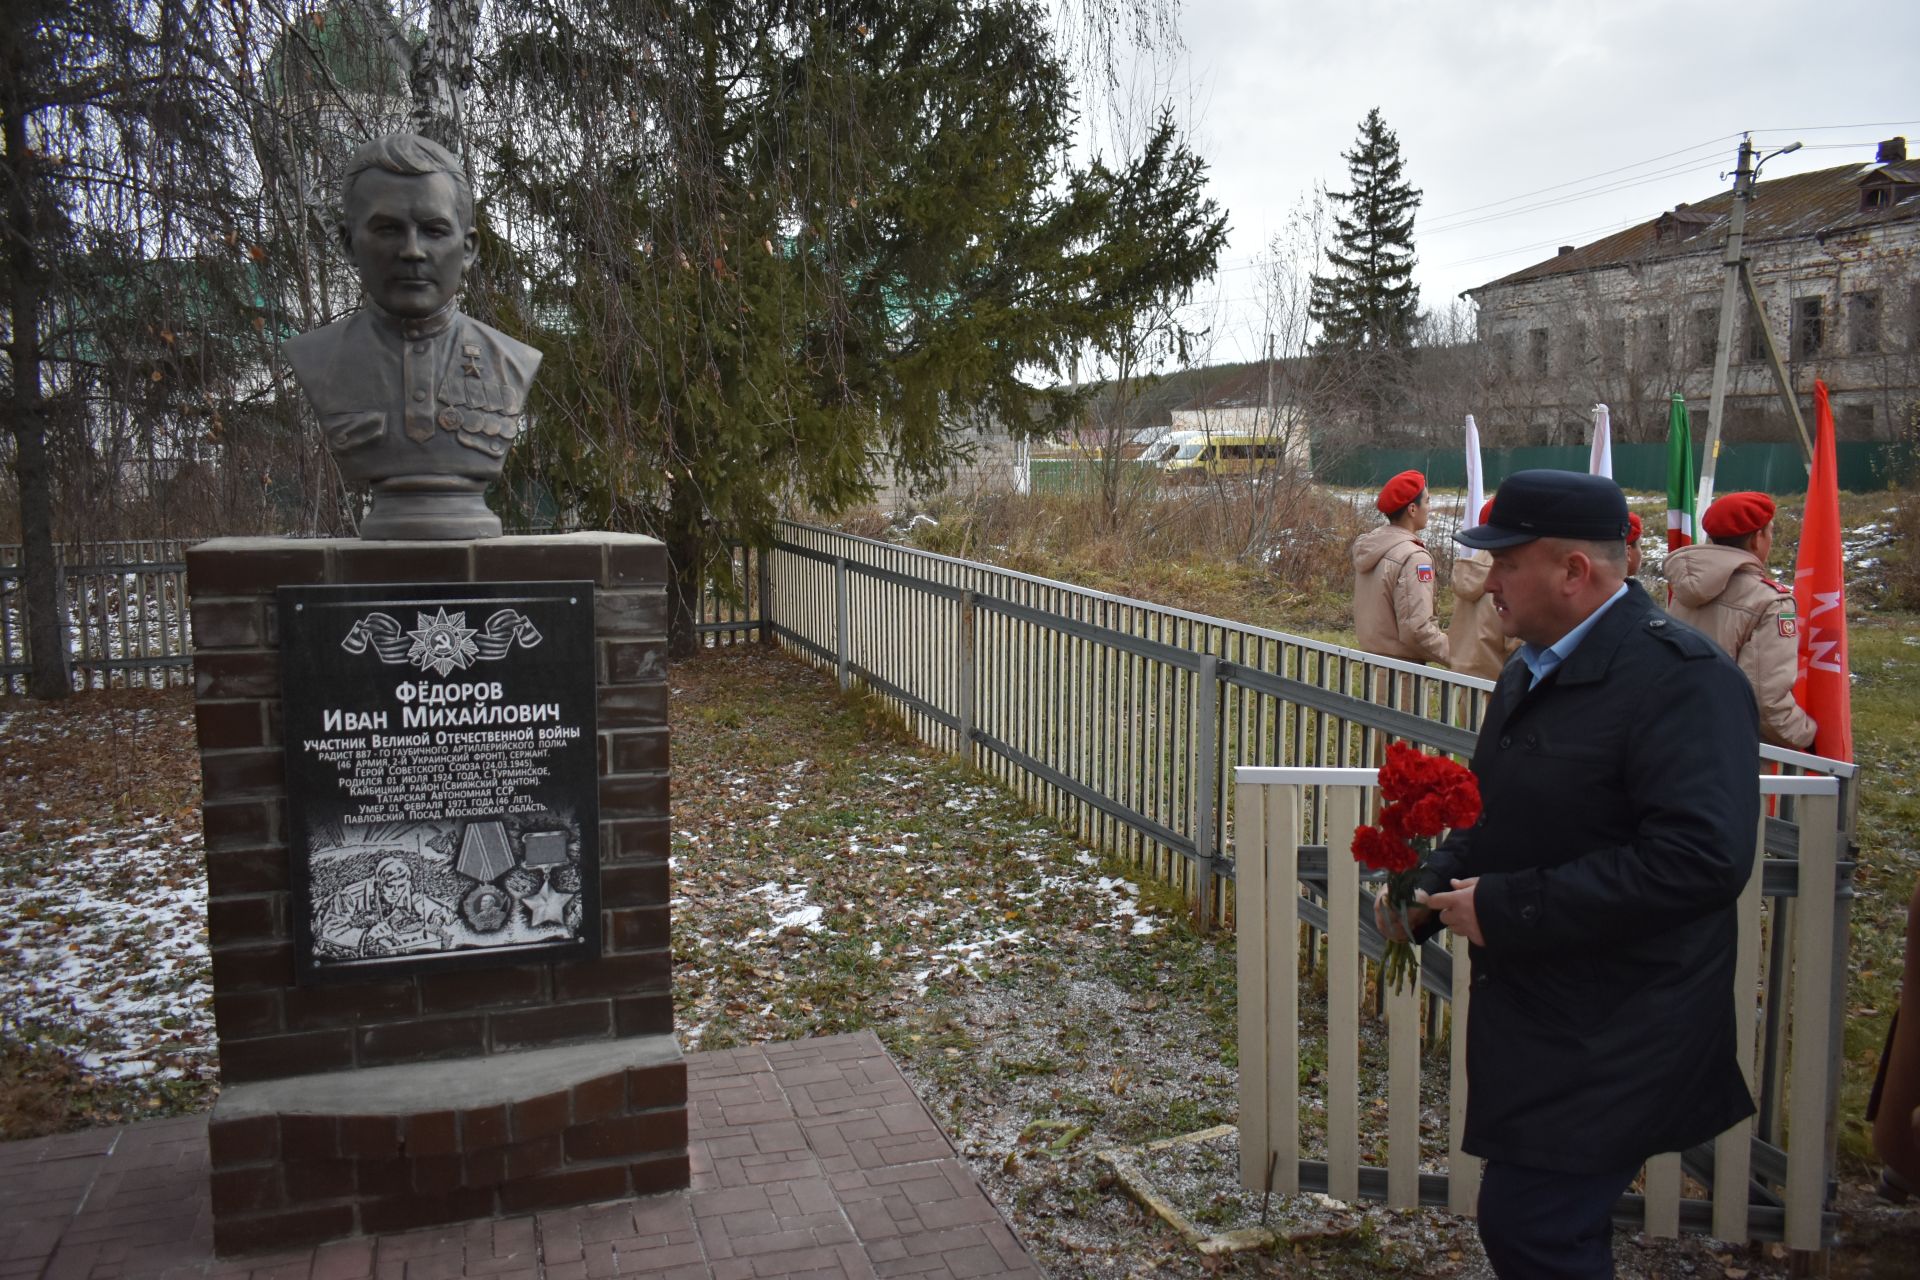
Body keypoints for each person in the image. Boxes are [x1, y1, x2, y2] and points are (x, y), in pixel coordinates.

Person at [1382, 470, 1760, 1279]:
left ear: (1573, 572)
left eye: (1505, 562)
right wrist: (1433, 877)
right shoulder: (1530, 668)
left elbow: (1701, 859)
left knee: (1534, 1225)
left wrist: (1511, 906)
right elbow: (1496, 811)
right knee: (1533, 1225)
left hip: (1625, 1018)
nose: (1487, 581)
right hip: (1549, 1013)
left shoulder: (1683, 681)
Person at [283, 133, 542, 538]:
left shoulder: (512, 361)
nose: (412, 251)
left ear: (469, 248)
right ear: (350, 245)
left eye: (434, 230)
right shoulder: (318, 358)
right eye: (387, 229)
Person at [1663, 491, 1816, 750]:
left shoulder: (1683, 589)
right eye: (1770, 532)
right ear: (1757, 539)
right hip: (1731, 749)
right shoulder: (1771, 602)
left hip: (1677, 735)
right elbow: (1765, 702)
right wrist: (1809, 736)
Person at [1353, 469, 1450, 666]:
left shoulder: (1374, 547)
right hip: (1401, 675)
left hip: (1372, 666)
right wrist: (1459, 657)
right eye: (1428, 501)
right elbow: (1417, 629)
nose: (1430, 508)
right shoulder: (1413, 558)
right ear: (1412, 509)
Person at [316, 855, 455, 957]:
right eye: (390, 886)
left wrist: (436, 911)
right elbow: (329, 929)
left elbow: (416, 898)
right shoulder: (349, 896)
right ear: (378, 884)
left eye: (400, 886)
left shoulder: (402, 889)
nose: (396, 892)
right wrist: (366, 935)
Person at [1447, 498, 1519, 680]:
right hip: (1499, 693)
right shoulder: (1514, 575)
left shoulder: (1471, 569)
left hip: (1464, 690)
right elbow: (1520, 649)